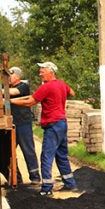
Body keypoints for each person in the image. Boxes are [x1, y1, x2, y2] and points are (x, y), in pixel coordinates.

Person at [11, 61, 77, 197]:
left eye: (42, 70)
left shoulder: (46, 87)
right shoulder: (61, 84)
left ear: (50, 72)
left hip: (52, 125)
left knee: (47, 156)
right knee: (61, 155)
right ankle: (70, 184)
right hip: (62, 123)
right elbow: (72, 93)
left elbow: (30, 102)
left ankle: (47, 187)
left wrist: (10, 101)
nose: (40, 73)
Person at [7, 67, 41, 185]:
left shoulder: (23, 86)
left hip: (23, 123)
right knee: (9, 153)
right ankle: (16, 179)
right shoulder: (7, 88)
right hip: (10, 124)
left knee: (28, 150)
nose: (8, 78)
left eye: (10, 75)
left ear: (17, 76)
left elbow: (13, 93)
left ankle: (35, 177)